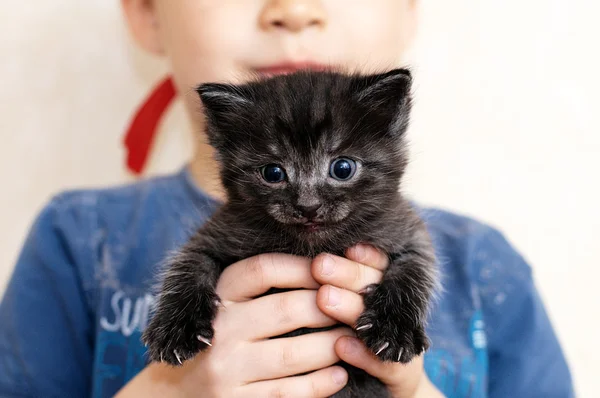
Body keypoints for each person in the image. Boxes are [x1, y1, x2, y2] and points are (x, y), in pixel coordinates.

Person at [0, 1, 574, 397]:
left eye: (340, 168)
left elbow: (410, 257)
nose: (294, 11)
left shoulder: (485, 265)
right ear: (147, 13)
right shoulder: (78, 240)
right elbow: (201, 259)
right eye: (273, 172)